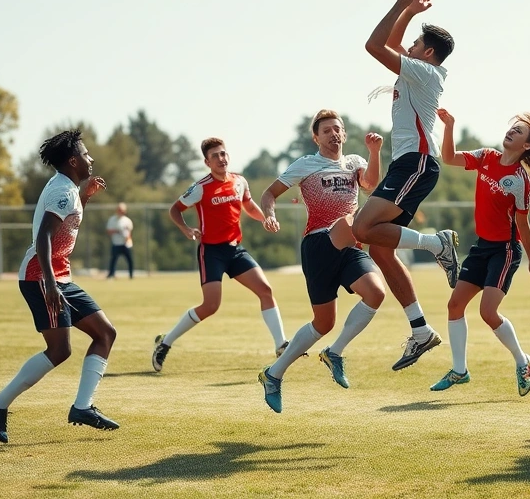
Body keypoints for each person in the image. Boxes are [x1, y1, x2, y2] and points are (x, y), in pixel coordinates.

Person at [0, 129, 118, 443]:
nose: (91, 158)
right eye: (85, 154)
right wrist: (51, 285)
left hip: (59, 276)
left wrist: (85, 197)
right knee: (59, 350)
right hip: (41, 277)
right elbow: (43, 236)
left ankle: (82, 408)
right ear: (73, 160)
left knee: (105, 334)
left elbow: (67, 222)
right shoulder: (63, 190)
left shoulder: (69, 188)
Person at [355, 0, 460, 371]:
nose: (409, 47)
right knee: (379, 248)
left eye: (416, 44)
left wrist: (400, 4)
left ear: (428, 53)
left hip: (416, 162)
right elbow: (394, 43)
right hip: (410, 163)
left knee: (363, 228)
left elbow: (375, 45)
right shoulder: (418, 68)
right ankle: (420, 329)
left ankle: (437, 244)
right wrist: (410, 11)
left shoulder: (424, 71)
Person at [256, 110, 387, 412]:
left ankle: (327, 355)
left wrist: (375, 152)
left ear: (344, 134)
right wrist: (269, 214)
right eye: (326, 130)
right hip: (318, 244)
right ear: (316, 138)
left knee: (375, 293)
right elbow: (269, 193)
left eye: (337, 129)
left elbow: (369, 183)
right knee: (323, 322)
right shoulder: (306, 164)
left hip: (348, 244)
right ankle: (274, 374)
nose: (333, 134)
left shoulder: (354, 162)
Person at [427, 109, 530, 396]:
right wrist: (450, 126)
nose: (511, 131)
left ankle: (523, 361)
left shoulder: (520, 181)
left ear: (527, 145)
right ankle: (459, 370)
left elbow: (522, 223)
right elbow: (449, 158)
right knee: (455, 305)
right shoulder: (486, 156)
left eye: (518, 131)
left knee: (487, 312)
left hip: (505, 250)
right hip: (481, 246)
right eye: (512, 128)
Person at [151, 137, 287, 372]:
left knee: (265, 290)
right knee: (211, 305)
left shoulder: (239, 181)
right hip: (212, 252)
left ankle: (281, 345)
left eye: (223, 154)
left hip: (235, 250)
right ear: (207, 162)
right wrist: (185, 229)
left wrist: (265, 219)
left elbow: (249, 205)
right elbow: (175, 209)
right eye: (215, 156)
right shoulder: (200, 187)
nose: (221, 158)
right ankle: (165, 342)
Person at [106, 202, 134, 279]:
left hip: (126, 244)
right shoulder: (112, 219)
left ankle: (131, 275)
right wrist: (117, 231)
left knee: (130, 260)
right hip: (116, 243)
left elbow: (129, 232)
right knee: (113, 259)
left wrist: (127, 238)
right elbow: (109, 231)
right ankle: (111, 274)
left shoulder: (127, 220)